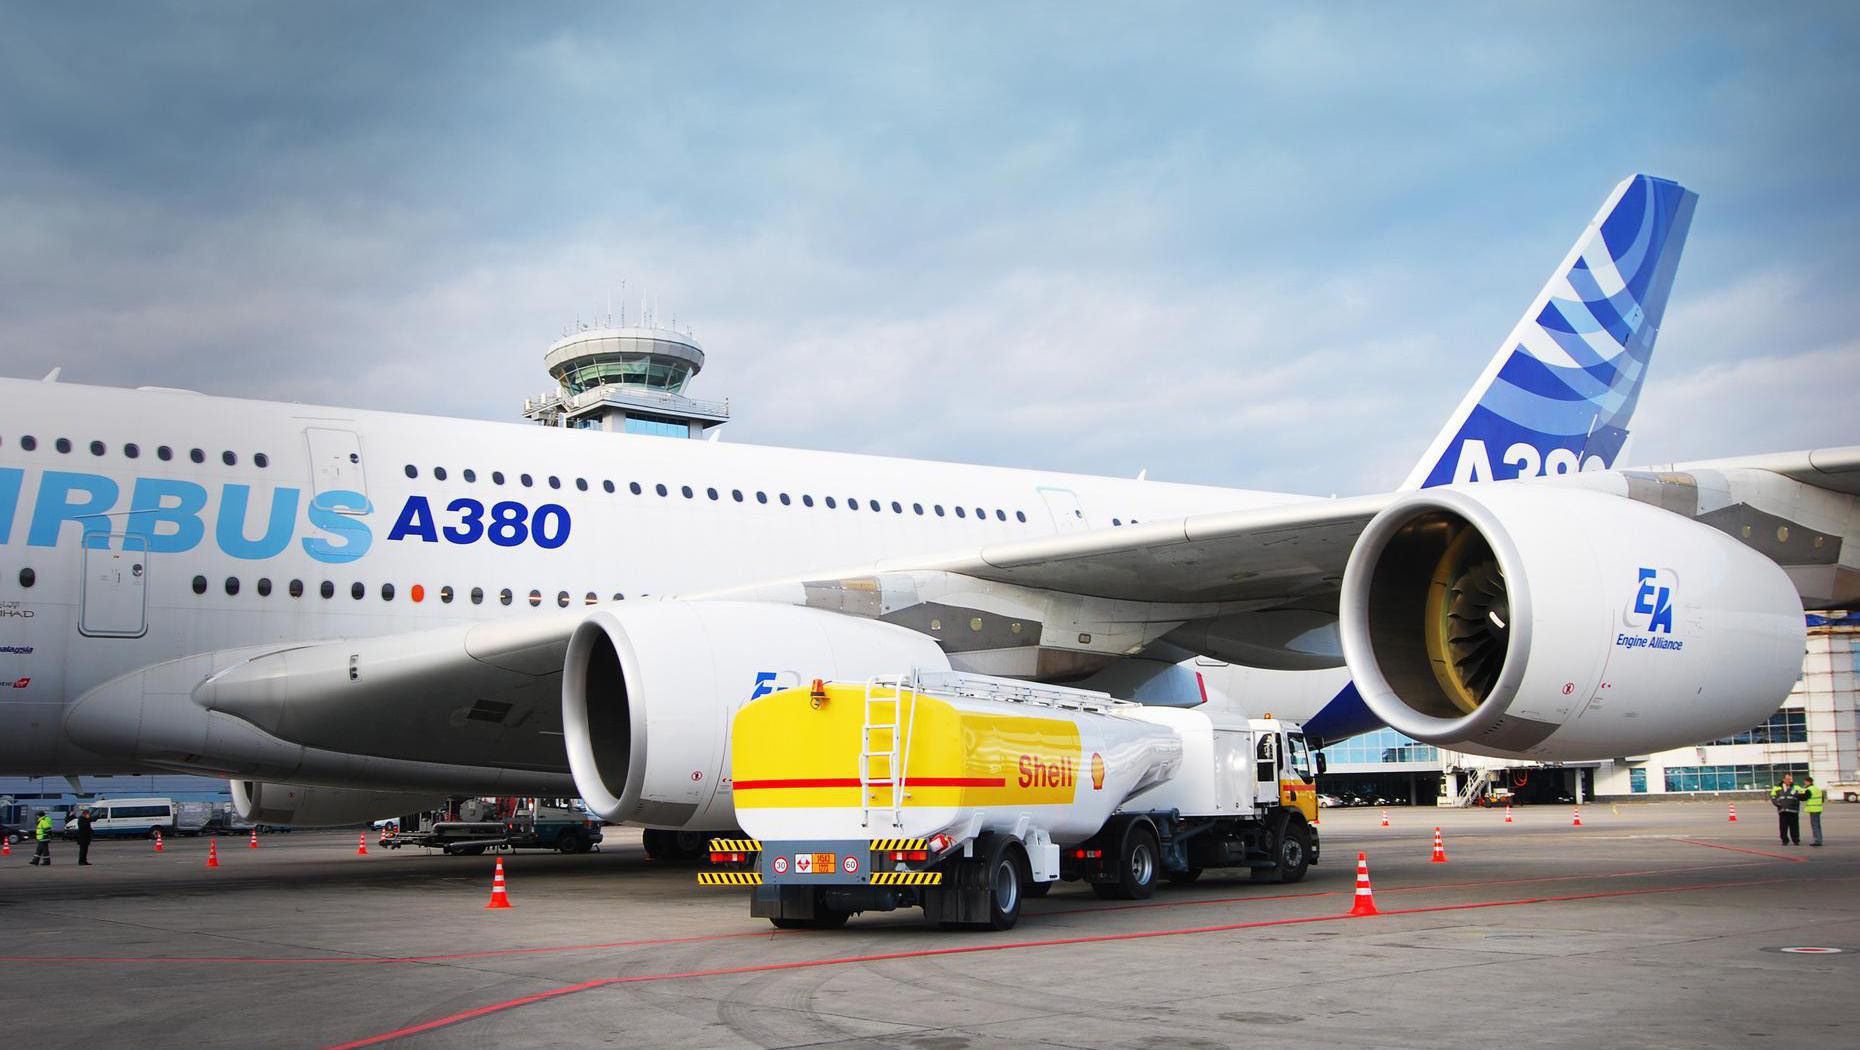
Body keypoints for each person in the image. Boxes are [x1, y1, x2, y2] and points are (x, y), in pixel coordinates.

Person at [1771, 773, 1806, 846]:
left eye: (1790, 779)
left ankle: (1796, 840)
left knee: (1795, 827)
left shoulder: (1796, 787)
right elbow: (1773, 797)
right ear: (1783, 779)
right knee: (1783, 827)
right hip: (1783, 810)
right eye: (1787, 779)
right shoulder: (1777, 788)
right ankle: (1784, 840)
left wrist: (1802, 795)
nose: (1789, 780)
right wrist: (1777, 804)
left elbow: (1804, 795)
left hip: (1793, 810)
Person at [1803, 775, 1828, 847]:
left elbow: (1804, 798)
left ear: (1808, 782)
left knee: (1815, 825)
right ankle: (1819, 839)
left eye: (1805, 782)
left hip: (1813, 809)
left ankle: (1817, 840)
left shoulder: (1809, 789)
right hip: (1818, 809)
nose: (1804, 783)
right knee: (1818, 825)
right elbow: (1822, 799)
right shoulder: (1817, 789)